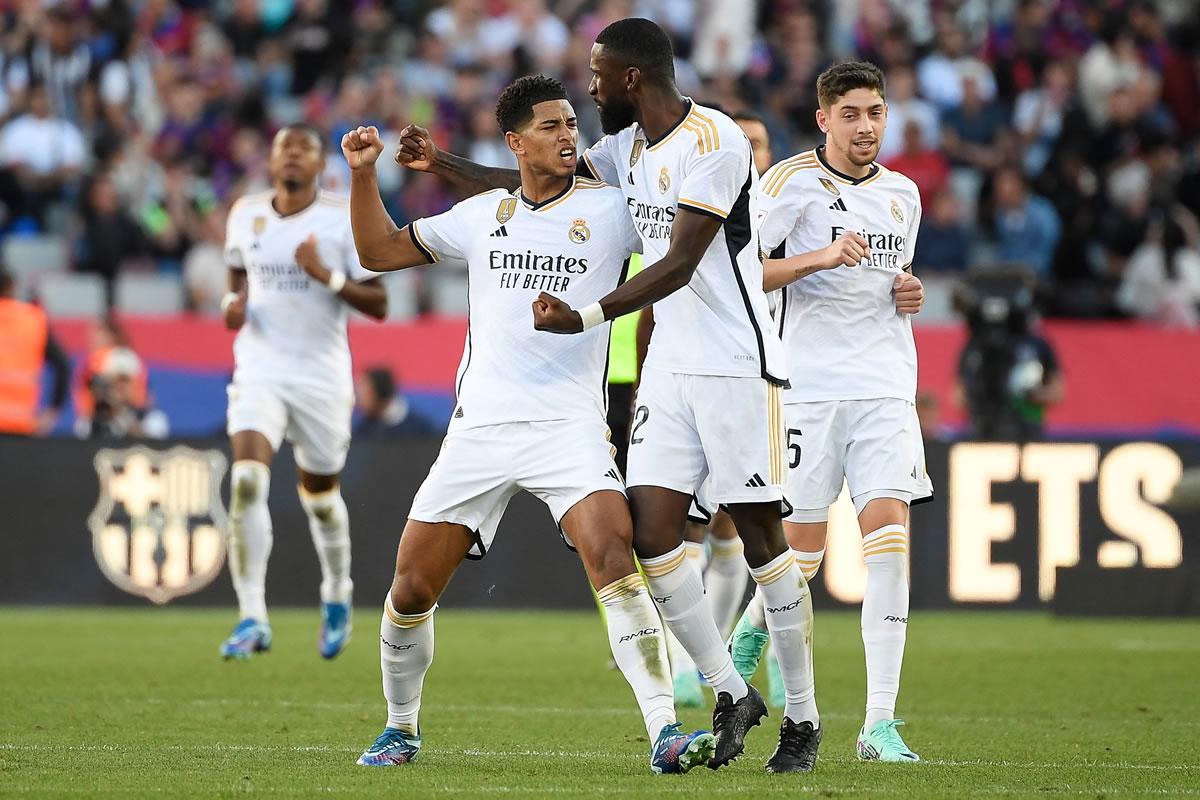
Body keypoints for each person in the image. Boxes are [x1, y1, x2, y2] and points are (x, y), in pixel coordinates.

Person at [396, 19, 818, 773]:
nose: (588, 91)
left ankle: (803, 723)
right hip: (666, 372)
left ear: (630, 78)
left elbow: (683, 262)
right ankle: (729, 688)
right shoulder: (623, 151)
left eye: (596, 77)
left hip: (734, 366)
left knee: (760, 543)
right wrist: (442, 163)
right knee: (653, 539)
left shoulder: (715, 141)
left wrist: (584, 317)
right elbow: (535, 188)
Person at [344, 75, 714, 774]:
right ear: (516, 143)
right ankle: (400, 726)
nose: (568, 135)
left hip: (568, 428)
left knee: (613, 552)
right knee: (410, 590)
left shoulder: (614, 211)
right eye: (550, 126)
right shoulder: (482, 215)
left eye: (571, 122)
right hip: (480, 430)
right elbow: (378, 252)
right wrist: (364, 176)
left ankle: (665, 730)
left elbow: (686, 246)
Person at [727, 61, 930, 764]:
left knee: (891, 550)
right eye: (850, 113)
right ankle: (748, 637)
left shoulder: (904, 194)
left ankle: (879, 724)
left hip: (884, 389)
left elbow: (891, 284)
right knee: (802, 560)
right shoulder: (785, 183)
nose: (866, 125)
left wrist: (910, 292)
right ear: (824, 119)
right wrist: (817, 257)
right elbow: (741, 270)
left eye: (874, 111)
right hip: (808, 389)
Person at [218, 123, 388, 661]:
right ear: (270, 162)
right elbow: (235, 276)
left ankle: (337, 594)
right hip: (259, 368)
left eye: (304, 149)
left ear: (321, 166)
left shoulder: (341, 219)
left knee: (319, 498)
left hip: (320, 375)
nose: (291, 156)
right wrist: (232, 306)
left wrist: (326, 276)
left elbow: (380, 304)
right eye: (282, 148)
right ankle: (251, 617)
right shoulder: (246, 212)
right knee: (246, 481)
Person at [0, 267, 69, 436]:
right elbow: (63, 365)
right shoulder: (33, 320)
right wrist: (53, 410)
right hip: (21, 425)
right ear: (12, 287)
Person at [76, 347, 170, 440]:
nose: (120, 387)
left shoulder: (153, 419)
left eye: (125, 380)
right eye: (115, 381)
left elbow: (154, 444)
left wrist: (123, 419)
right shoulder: (89, 424)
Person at [354, 366, 438, 436]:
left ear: (381, 392)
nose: (359, 399)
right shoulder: (363, 430)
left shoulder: (418, 429)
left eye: (365, 392)